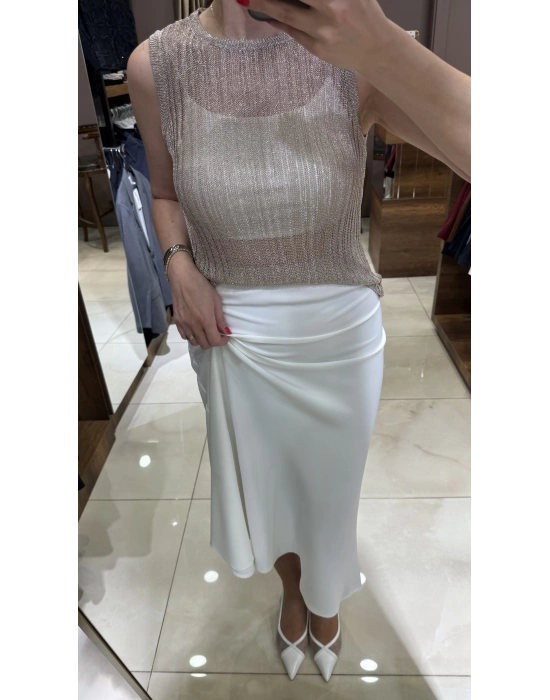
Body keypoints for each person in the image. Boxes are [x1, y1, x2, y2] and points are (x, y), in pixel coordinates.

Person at [127, 0, 471, 682]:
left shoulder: (358, 50)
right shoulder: (156, 64)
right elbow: (164, 193)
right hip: (230, 331)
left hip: (336, 330)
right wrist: (179, 267)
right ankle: (293, 591)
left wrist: (381, 46)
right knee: (267, 488)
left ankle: (326, 598)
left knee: (330, 490)